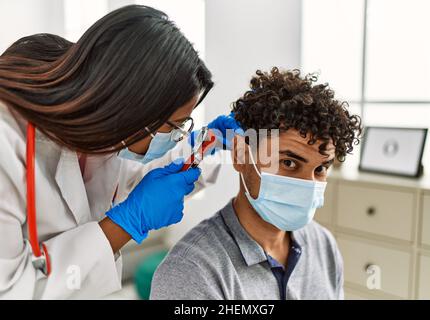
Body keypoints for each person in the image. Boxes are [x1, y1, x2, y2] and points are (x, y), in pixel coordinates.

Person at [0, 5, 241, 299]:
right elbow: (11, 289)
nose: (179, 137)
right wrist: (126, 222)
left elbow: (143, 173)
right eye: (176, 126)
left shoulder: (105, 136)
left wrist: (207, 144)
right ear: (132, 108)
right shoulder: (6, 143)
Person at [150, 67, 362, 300]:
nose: (307, 184)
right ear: (240, 156)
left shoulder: (323, 245)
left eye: (320, 169)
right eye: (289, 163)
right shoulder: (190, 272)